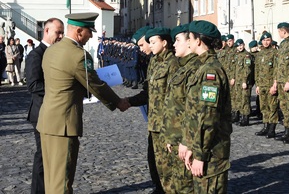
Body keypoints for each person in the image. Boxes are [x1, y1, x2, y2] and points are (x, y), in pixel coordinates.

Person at [36, 12, 129, 193]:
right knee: (61, 183)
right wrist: (118, 102)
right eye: (89, 31)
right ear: (79, 31)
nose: (91, 36)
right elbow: (95, 85)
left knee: (50, 179)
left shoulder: (51, 50)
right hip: (63, 125)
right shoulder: (78, 55)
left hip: (47, 121)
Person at [183, 20, 232, 193]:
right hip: (203, 148)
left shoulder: (210, 71)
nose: (187, 41)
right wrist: (191, 146)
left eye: (189, 37)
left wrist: (200, 155)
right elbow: (194, 115)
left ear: (198, 41)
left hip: (211, 153)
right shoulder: (203, 67)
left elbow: (207, 118)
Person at [26, 18, 64, 194]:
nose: (61, 36)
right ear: (46, 31)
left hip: (55, 113)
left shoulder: (58, 53)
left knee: (53, 157)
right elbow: (33, 85)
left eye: (62, 32)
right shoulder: (36, 55)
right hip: (41, 112)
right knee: (42, 156)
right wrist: (59, 87)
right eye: (58, 32)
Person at [159, 23, 197, 193]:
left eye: (178, 40)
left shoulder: (195, 69)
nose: (174, 44)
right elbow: (172, 106)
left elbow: (195, 112)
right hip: (175, 138)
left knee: (185, 187)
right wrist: (169, 136)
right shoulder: (182, 67)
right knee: (175, 185)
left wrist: (186, 142)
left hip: (185, 141)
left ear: (190, 42)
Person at [144, 27, 179, 193]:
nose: (150, 46)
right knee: (159, 164)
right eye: (149, 43)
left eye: (153, 42)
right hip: (154, 122)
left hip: (166, 124)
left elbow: (174, 97)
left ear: (164, 43)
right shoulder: (154, 61)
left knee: (168, 167)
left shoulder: (172, 63)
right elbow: (149, 92)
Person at [272, 22, 289, 144]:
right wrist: (276, 82)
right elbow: (278, 66)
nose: (278, 34)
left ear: (284, 31)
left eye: (279, 31)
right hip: (281, 80)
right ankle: (287, 131)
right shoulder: (282, 45)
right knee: (283, 106)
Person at [255, 32, 278, 138]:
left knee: (272, 107)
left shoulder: (274, 53)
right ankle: (266, 126)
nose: (266, 42)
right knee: (263, 107)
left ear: (271, 40)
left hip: (270, 85)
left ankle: (272, 129)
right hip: (262, 84)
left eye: (268, 40)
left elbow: (277, 70)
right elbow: (257, 70)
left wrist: (275, 84)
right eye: (264, 40)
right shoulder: (259, 54)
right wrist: (258, 85)